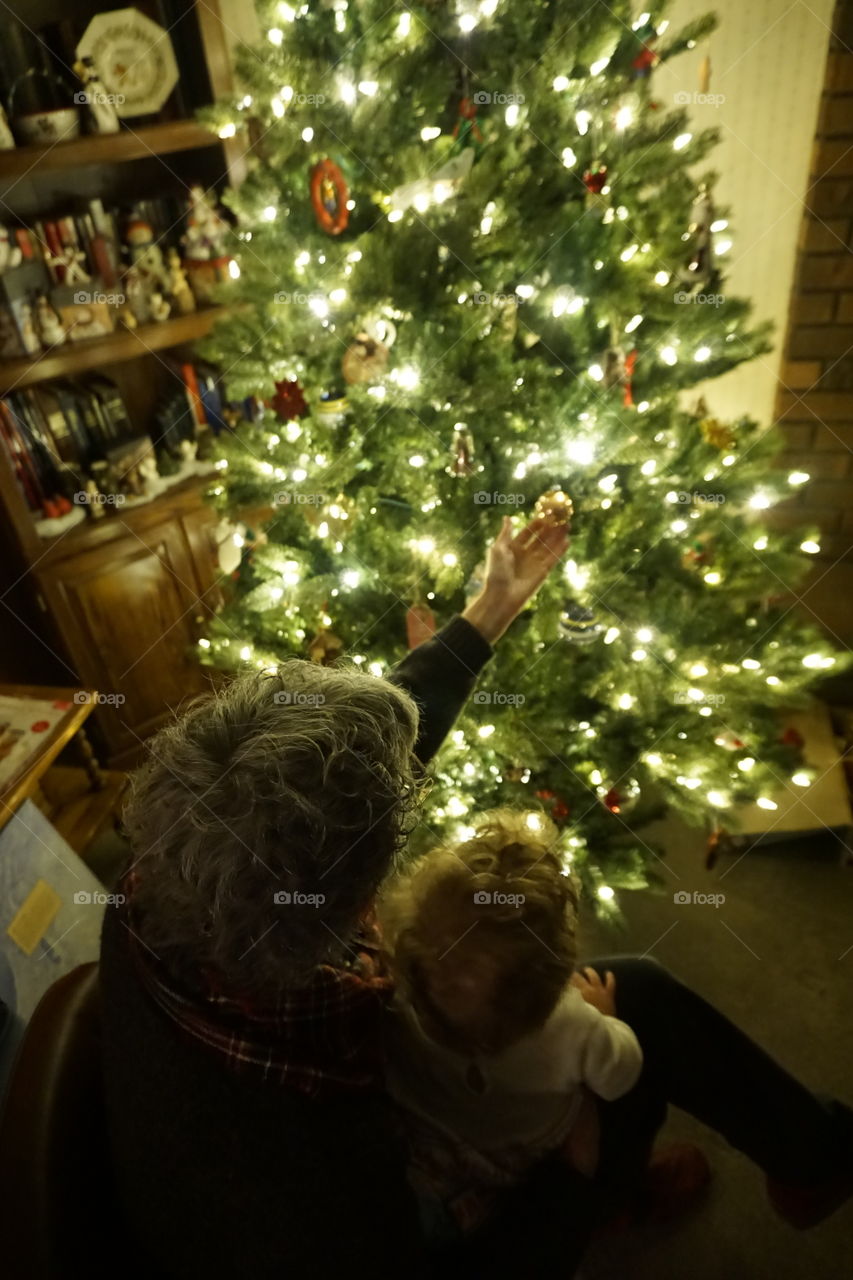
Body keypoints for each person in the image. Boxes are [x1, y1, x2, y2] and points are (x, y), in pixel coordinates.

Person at [99, 511, 853, 1280]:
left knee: (620, 999)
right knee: (624, 1041)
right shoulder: (305, 1147)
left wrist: (492, 607)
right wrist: (573, 1172)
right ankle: (617, 1187)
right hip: (431, 1222)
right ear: (356, 911)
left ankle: (813, 1155)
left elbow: (338, 778)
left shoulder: (177, 859)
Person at [378, 808, 644, 1240]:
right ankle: (618, 1199)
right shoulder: (574, 1025)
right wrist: (606, 1017)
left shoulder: (396, 1005)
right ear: (556, 967)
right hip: (518, 1163)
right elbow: (620, 1076)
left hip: (428, 1157)